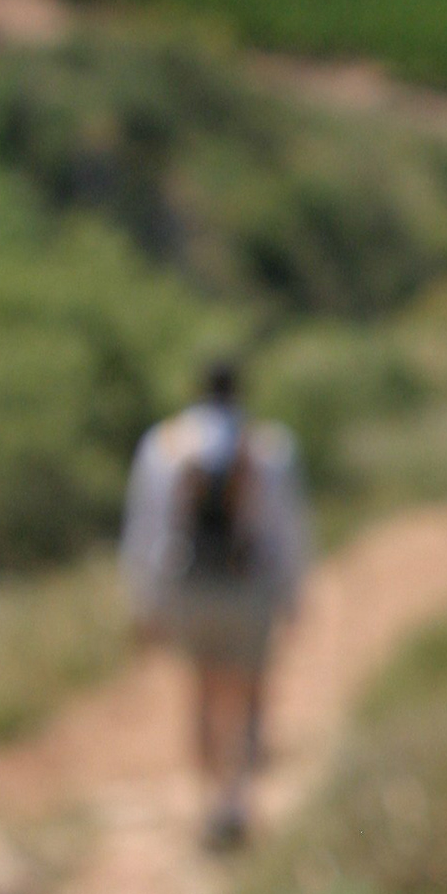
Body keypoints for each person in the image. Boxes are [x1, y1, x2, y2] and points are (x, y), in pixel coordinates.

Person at [120, 357, 310, 849]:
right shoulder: (269, 446)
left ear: (197, 390)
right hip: (247, 588)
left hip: (189, 589)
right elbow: (287, 529)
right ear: (242, 391)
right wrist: (294, 595)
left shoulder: (164, 446)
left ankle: (208, 801)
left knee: (202, 690)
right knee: (248, 693)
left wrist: (145, 602)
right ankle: (236, 798)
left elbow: (146, 529)